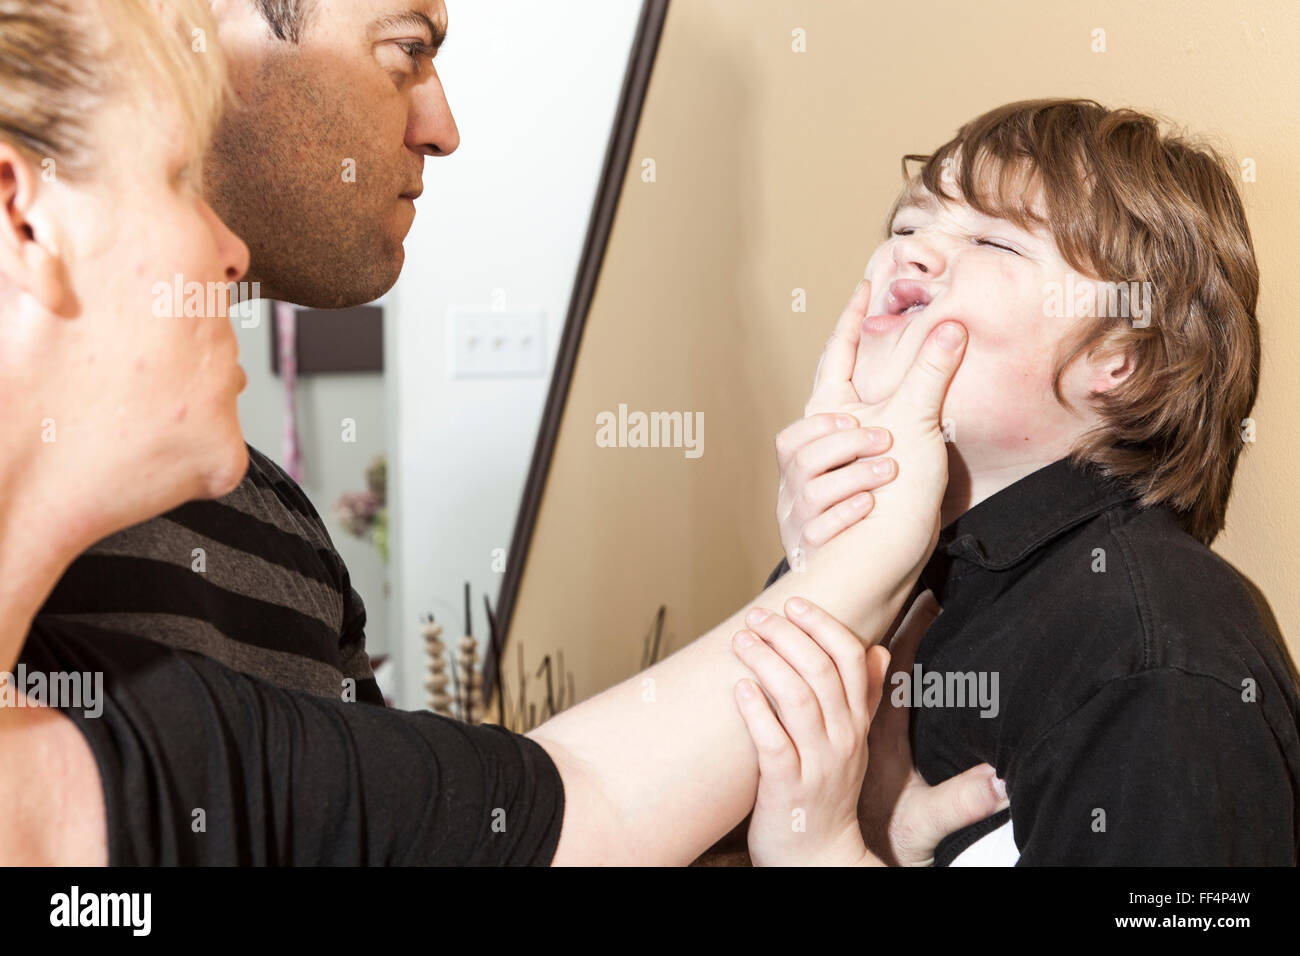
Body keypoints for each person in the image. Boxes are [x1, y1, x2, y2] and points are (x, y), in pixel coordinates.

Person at [2, 0, 996, 866]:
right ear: (20, 214)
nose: (224, 249)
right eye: (177, 176)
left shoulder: (179, 723)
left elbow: (549, 812)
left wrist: (840, 831)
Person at [743, 99, 1300, 865]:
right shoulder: (874, 562)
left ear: (1123, 360)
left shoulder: (1152, 656)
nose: (910, 254)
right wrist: (819, 573)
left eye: (992, 241)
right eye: (906, 227)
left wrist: (823, 856)